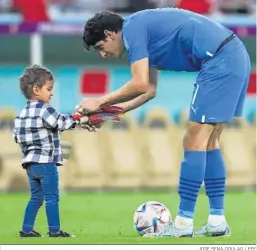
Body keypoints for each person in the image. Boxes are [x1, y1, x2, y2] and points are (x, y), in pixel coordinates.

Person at [80, 8, 251, 237]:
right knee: (210, 142)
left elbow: (139, 84)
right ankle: (216, 221)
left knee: (193, 140)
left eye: (100, 47)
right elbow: (149, 90)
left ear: (111, 34)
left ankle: (183, 224)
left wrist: (99, 101)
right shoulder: (142, 33)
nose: (103, 54)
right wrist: (106, 113)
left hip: (220, 59)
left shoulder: (132, 29)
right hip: (234, 55)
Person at [13, 65, 86, 238]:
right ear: (36, 90)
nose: (51, 93)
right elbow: (61, 123)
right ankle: (55, 231)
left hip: (30, 164)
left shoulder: (21, 113)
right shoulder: (45, 109)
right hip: (46, 162)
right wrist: (77, 117)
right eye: (49, 89)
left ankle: (26, 229)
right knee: (52, 197)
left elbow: (16, 137)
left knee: (36, 197)